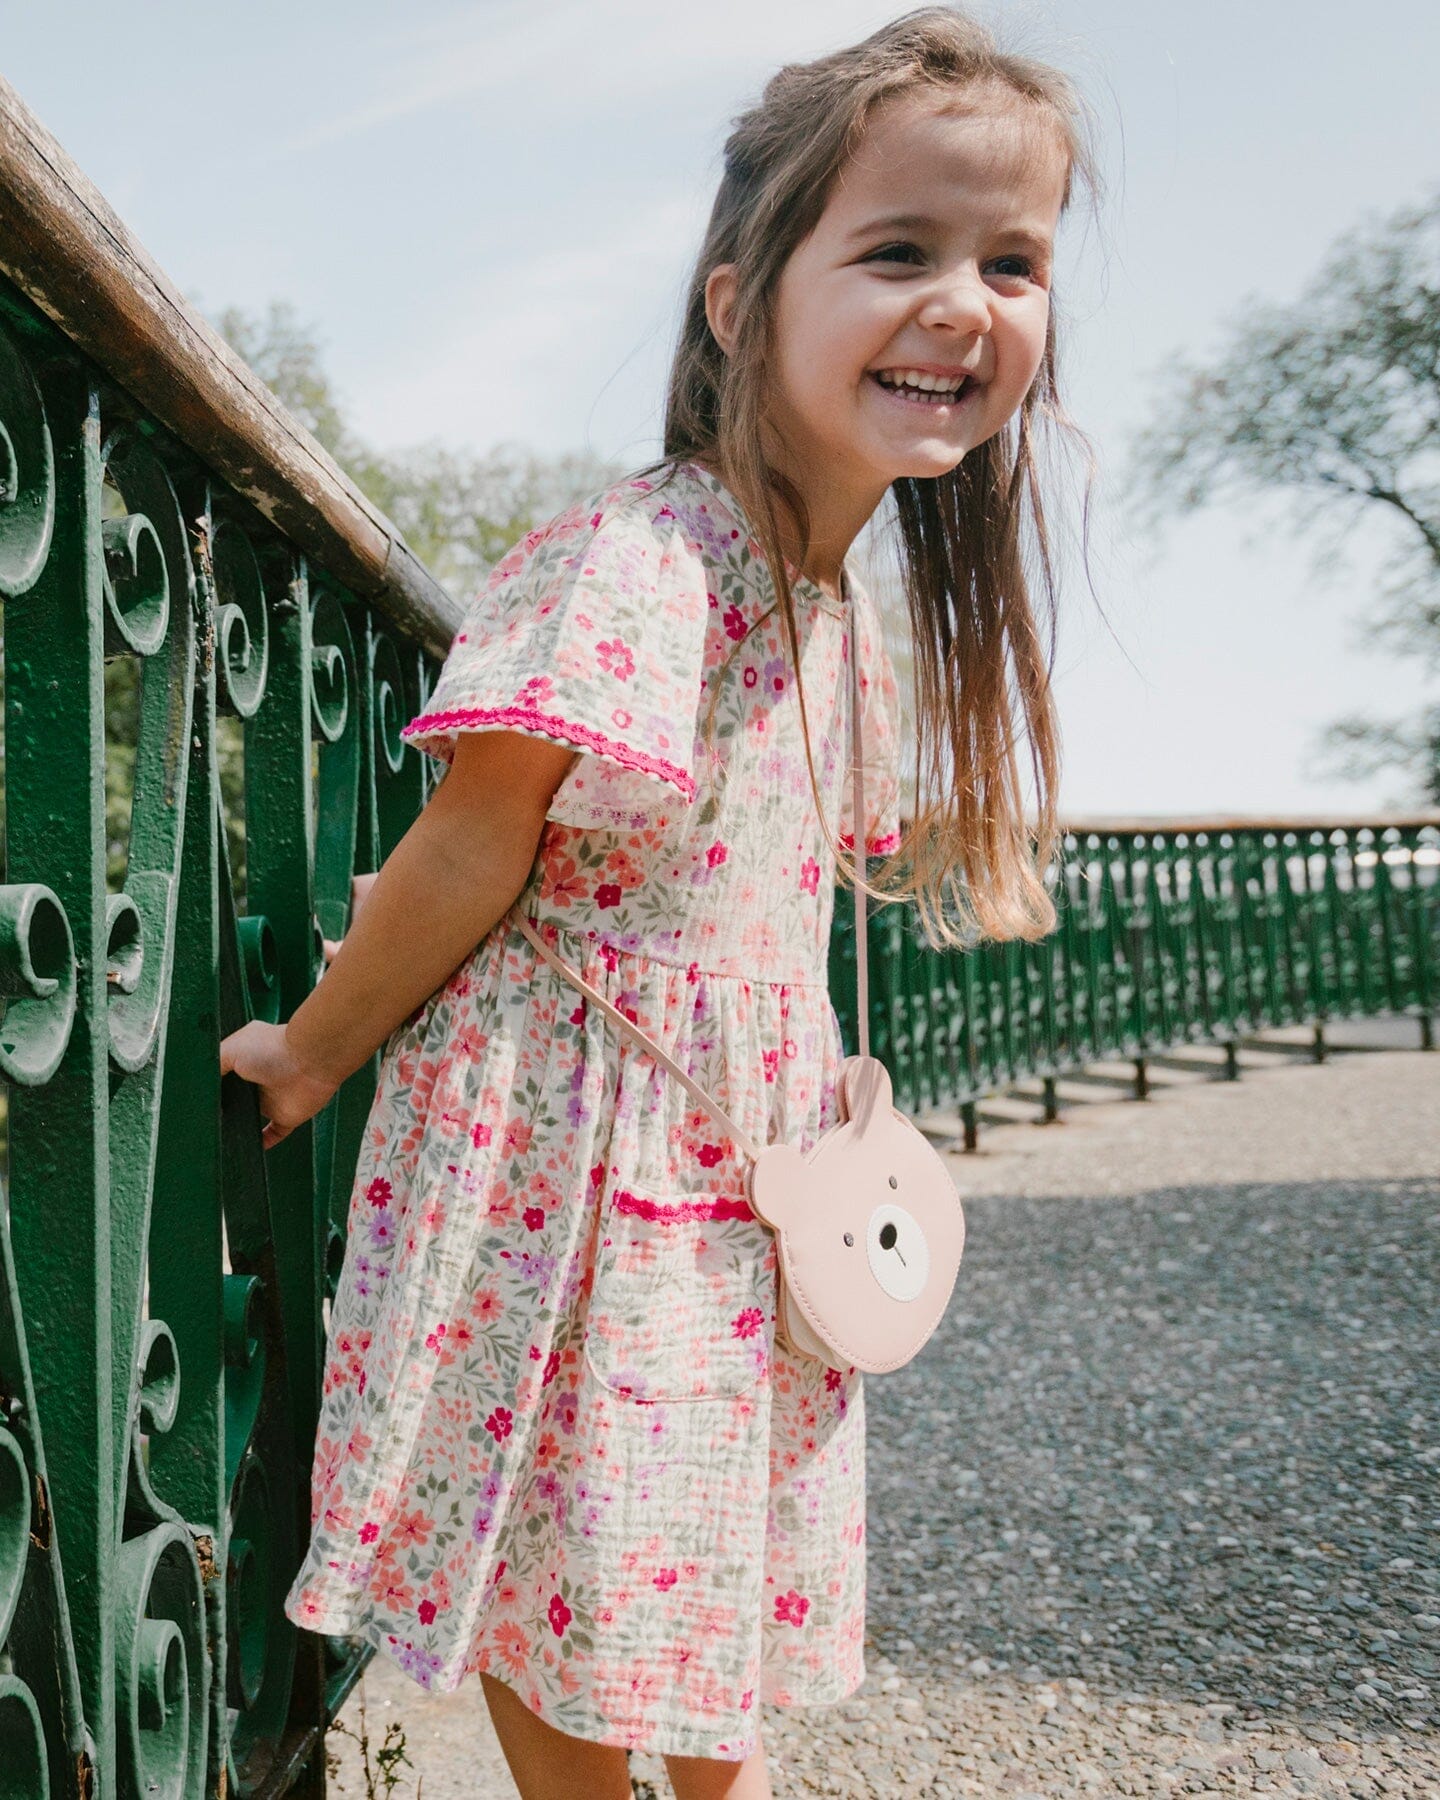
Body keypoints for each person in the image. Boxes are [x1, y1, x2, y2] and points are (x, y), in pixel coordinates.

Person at [220, 7, 1098, 1796]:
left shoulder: (837, 606)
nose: (965, 302)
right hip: (580, 1160)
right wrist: (313, 1051)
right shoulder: (644, 554)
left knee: (689, 1549)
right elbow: (477, 845)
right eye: (900, 251)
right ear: (735, 302)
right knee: (583, 1542)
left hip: (727, 1157)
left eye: (1013, 260)